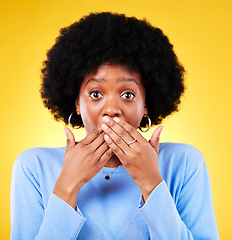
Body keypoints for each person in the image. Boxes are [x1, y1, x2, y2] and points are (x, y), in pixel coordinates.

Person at [10, 12, 219, 239]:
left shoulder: (185, 164)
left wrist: (151, 182)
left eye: (128, 94)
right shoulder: (32, 167)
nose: (112, 109)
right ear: (77, 103)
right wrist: (67, 186)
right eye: (96, 93)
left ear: (146, 105)